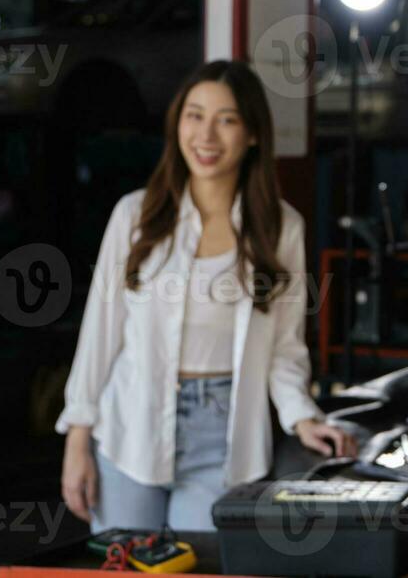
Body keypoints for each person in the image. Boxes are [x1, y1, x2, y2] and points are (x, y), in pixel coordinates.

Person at [57, 59, 357, 532]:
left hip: (225, 435)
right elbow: (100, 334)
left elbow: (284, 347)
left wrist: (302, 417)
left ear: (254, 134)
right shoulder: (135, 216)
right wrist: (78, 440)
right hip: (130, 426)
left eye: (228, 119)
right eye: (194, 115)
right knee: (125, 568)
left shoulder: (281, 229)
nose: (207, 136)